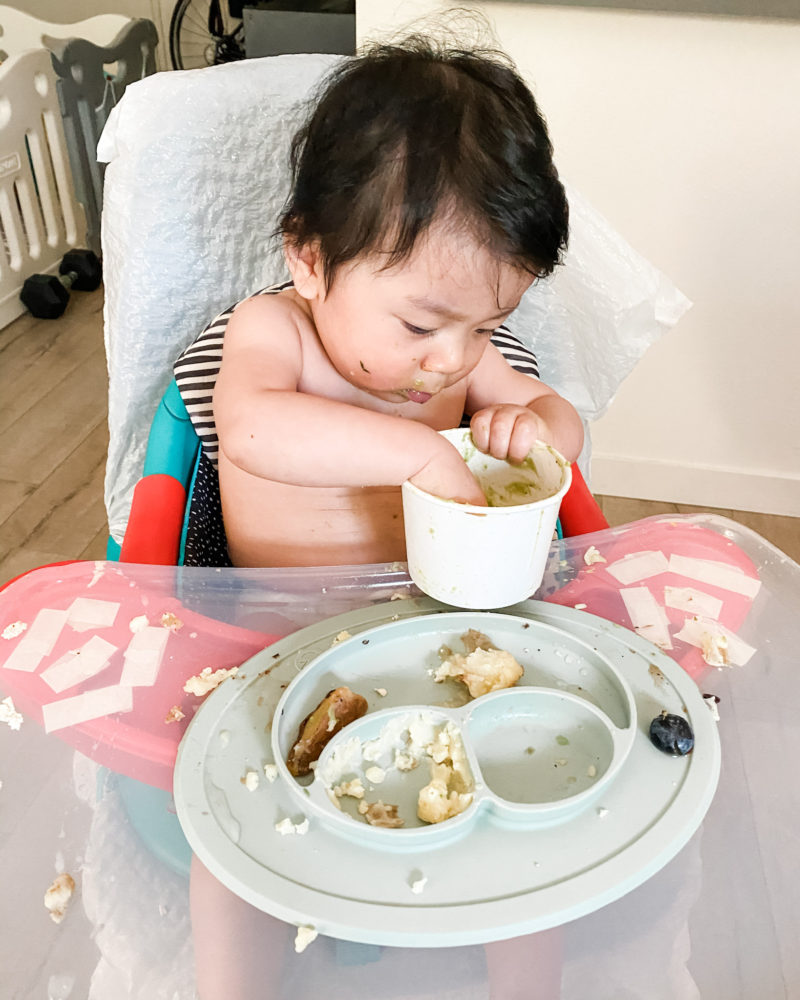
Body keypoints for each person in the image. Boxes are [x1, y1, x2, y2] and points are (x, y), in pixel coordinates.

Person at [189, 32, 580, 1000]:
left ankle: (523, 979)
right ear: (311, 260)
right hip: (275, 639)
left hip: (442, 632)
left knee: (527, 806)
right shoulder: (271, 331)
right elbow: (250, 433)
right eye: (419, 325)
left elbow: (563, 424)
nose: (449, 361)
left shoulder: (453, 356)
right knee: (230, 821)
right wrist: (414, 448)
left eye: (484, 327)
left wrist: (527, 422)